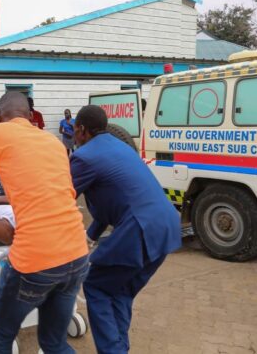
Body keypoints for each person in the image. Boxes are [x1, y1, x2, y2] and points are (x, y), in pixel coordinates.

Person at [0, 92, 88, 354]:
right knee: (54, 343)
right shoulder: (53, 142)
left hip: (35, 258)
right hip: (77, 254)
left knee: (1, 335)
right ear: (31, 116)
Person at [70, 105, 181, 354]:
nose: (74, 137)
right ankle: (119, 349)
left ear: (82, 129)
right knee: (119, 292)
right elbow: (111, 202)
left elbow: (59, 197)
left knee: (96, 286)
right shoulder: (121, 147)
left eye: (75, 131)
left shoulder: (84, 156)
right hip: (166, 227)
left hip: (139, 229)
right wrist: (89, 237)